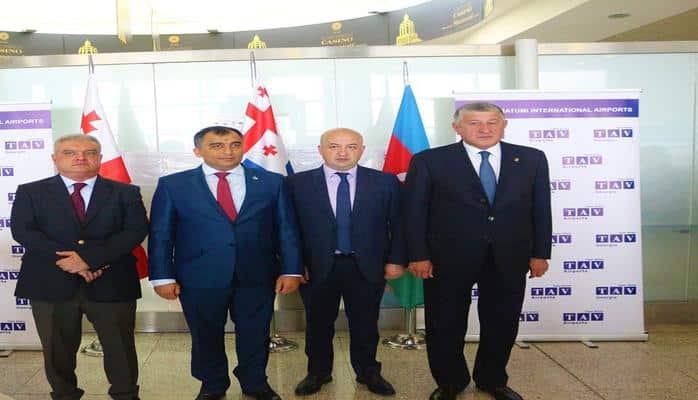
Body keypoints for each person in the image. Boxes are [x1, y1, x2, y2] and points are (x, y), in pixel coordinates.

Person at [404, 103, 552, 400]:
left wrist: (540, 253)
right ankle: (450, 382)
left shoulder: (532, 158)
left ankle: (492, 379)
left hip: (509, 255)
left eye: (492, 122)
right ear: (457, 127)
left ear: (504, 125)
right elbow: (415, 212)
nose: (485, 129)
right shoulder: (429, 161)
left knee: (502, 321)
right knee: (445, 322)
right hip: (447, 258)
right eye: (474, 123)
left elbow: (540, 208)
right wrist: (418, 255)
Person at [148, 126, 302, 400]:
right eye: (217, 145)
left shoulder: (272, 182)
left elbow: (286, 229)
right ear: (198, 151)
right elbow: (161, 234)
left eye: (234, 144)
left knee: (256, 333)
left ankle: (255, 382)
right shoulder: (174, 185)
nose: (228, 151)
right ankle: (212, 384)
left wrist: (291, 269)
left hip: (257, 274)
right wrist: (162, 276)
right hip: (198, 276)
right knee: (205, 334)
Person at [11, 134, 148, 400]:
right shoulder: (31, 191)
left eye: (89, 152)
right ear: (55, 158)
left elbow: (135, 231)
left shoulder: (126, 192)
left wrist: (89, 260)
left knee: (120, 348)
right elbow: (24, 231)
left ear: (100, 158)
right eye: (70, 152)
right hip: (50, 283)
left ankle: (126, 394)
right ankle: (64, 394)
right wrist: (72, 261)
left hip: (112, 281)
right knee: (57, 350)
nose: (80, 157)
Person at [287, 128, 405, 397]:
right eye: (334, 146)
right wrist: (294, 264)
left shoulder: (385, 182)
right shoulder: (296, 184)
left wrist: (396, 260)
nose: (342, 152)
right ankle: (318, 372)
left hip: (367, 266)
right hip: (316, 267)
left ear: (361, 151)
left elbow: (399, 224)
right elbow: (288, 228)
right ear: (320, 150)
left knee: (366, 324)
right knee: (318, 324)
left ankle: (368, 372)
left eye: (351, 146)